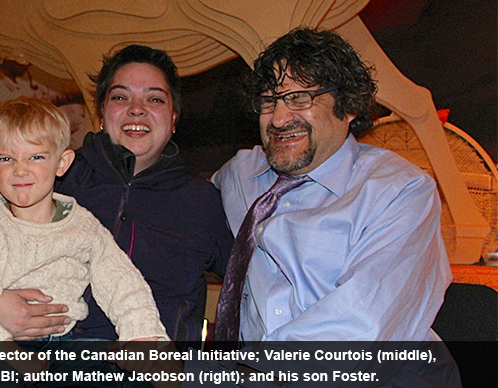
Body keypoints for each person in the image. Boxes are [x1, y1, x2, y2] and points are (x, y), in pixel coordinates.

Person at [115, 28, 459, 387]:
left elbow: (356, 335)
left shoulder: (399, 191)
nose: (279, 119)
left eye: (299, 98)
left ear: (348, 106)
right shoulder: (241, 174)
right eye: (268, 101)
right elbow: (170, 212)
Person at [0, 44, 233, 344]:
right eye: (120, 97)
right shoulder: (52, 175)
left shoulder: (202, 201)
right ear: (101, 113)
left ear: (174, 117)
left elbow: (246, 283)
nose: (136, 109)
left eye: (154, 98)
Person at [0, 96, 168, 384]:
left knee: (115, 371)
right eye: (6, 159)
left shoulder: (82, 223)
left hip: (65, 343)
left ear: (61, 163)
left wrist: (142, 335)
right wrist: (11, 355)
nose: (20, 169)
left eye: (35, 157)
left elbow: (121, 280)